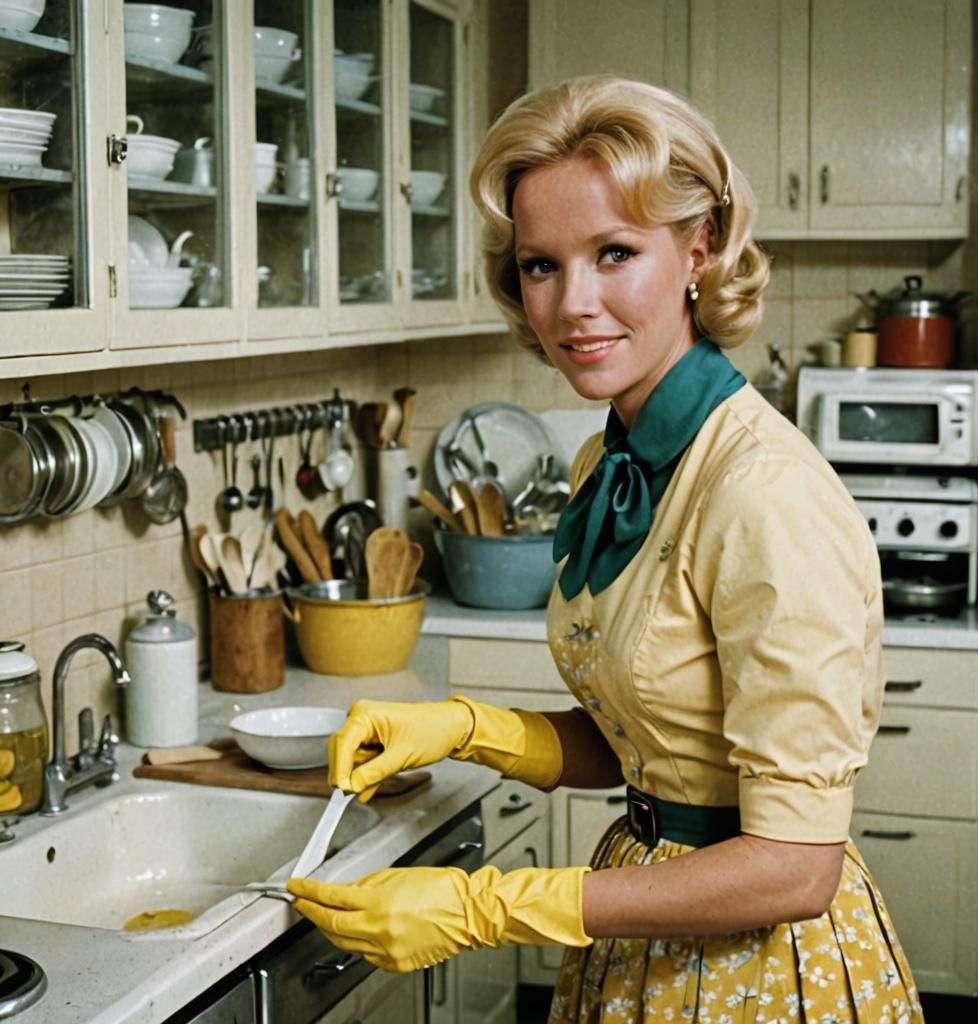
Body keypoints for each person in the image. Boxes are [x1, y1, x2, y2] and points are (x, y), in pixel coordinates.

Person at [288, 76, 922, 1023]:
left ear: (699, 249)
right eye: (542, 265)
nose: (573, 304)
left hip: (757, 968)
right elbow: (662, 748)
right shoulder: (607, 457)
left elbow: (794, 868)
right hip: (645, 938)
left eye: (614, 253)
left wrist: (487, 905)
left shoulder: (762, 490)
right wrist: (473, 729)